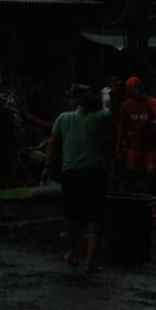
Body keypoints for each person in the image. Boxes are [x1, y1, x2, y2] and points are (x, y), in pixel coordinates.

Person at [44, 84, 110, 273]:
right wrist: (105, 92)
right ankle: (91, 261)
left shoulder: (64, 118)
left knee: (71, 215)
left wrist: (47, 165)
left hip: (71, 173)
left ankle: (73, 253)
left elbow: (52, 142)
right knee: (94, 218)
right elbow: (107, 109)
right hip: (95, 173)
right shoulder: (100, 118)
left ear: (78, 102)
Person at [116, 76, 156, 195]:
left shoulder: (151, 101)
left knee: (151, 173)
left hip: (152, 146)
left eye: (138, 87)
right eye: (134, 88)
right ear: (129, 90)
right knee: (132, 173)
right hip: (135, 146)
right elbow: (121, 126)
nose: (137, 90)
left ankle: (152, 198)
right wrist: (118, 145)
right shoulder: (126, 105)